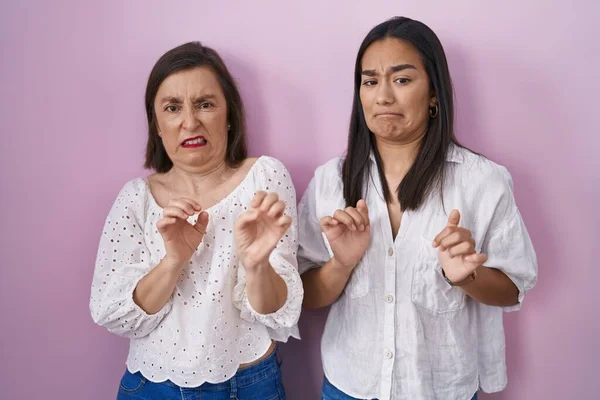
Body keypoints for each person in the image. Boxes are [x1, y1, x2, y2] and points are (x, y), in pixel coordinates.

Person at [298, 17, 537, 400]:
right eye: (370, 81)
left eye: (402, 79)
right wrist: (341, 264)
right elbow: (304, 296)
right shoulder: (330, 181)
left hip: (441, 388)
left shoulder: (482, 181)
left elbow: (513, 289)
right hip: (350, 386)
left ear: (434, 95)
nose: (383, 97)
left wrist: (465, 277)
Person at [90, 41, 302, 399]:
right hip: (152, 388)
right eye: (172, 108)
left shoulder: (265, 177)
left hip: (250, 384)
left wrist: (256, 264)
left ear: (229, 115)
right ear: (156, 124)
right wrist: (173, 261)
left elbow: (276, 313)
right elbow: (114, 313)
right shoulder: (135, 198)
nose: (190, 121)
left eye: (205, 104)